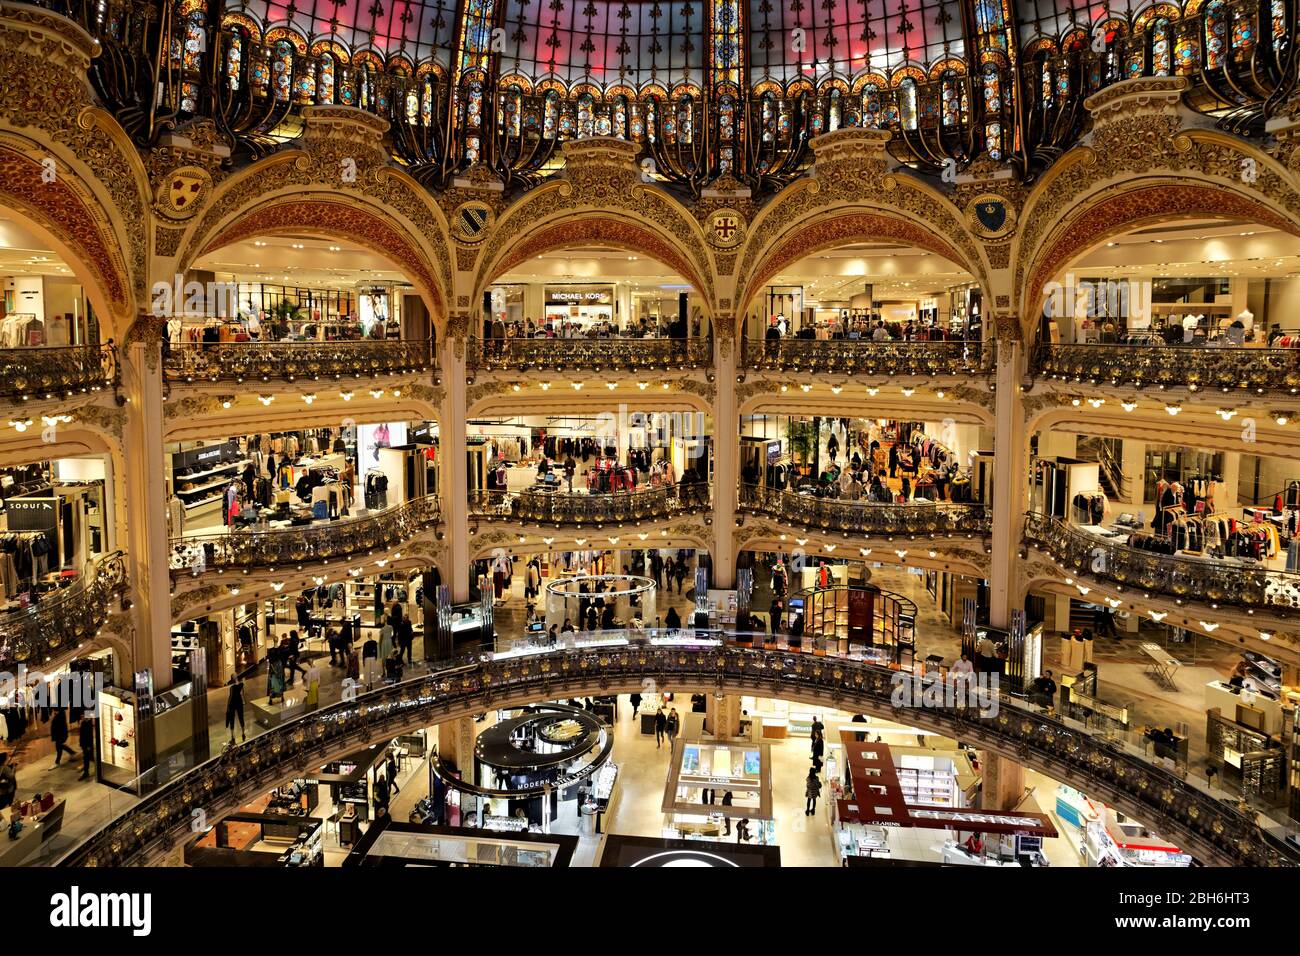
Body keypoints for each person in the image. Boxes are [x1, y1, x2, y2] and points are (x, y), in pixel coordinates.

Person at [225, 674, 246, 743]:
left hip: (232, 704)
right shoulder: (241, 684)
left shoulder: (232, 687)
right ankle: (243, 734)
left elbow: (230, 697)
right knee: (241, 718)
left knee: (232, 719)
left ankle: (232, 737)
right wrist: (243, 701)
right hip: (239, 702)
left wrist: (227, 706)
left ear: (232, 679)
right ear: (237, 678)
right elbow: (242, 693)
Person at [78, 713, 95, 779]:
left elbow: (89, 737)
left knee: (86, 758)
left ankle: (86, 772)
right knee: (90, 757)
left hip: (87, 745)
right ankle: (86, 771)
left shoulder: (88, 724)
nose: (81, 716)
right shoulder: (83, 723)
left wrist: (88, 746)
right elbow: (82, 735)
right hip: (84, 744)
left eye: (83, 715)